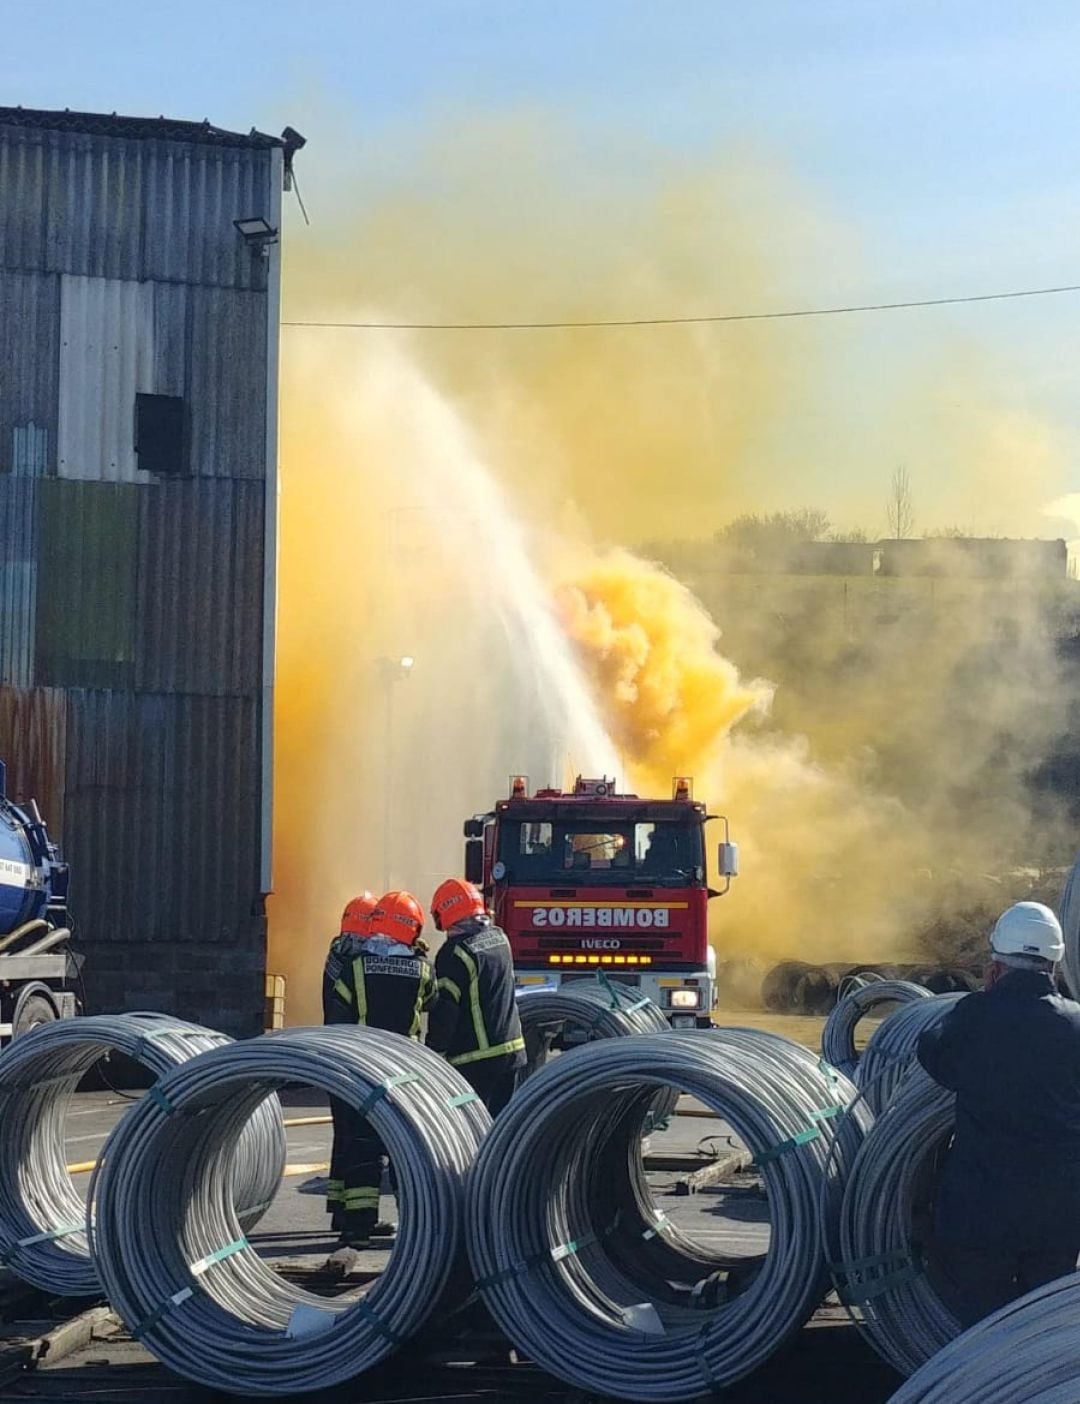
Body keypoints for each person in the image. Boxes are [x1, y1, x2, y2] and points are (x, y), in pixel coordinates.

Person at [917, 900, 1080, 1328]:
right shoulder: (1077, 1025)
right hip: (1057, 1219)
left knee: (977, 1336)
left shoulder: (973, 1017)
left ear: (995, 967)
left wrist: (986, 1008)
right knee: (1040, 1334)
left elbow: (933, 1056)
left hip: (978, 1216)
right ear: (1054, 965)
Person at [322, 889, 435, 1248]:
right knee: (407, 1147)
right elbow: (432, 999)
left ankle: (357, 1226)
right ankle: (416, 1222)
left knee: (362, 1148)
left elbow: (339, 1014)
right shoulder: (421, 970)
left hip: (364, 1069)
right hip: (406, 1073)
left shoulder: (355, 968)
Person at [426, 878, 525, 1115]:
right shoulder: (500, 938)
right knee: (499, 1131)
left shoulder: (455, 953)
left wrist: (433, 1054)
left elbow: (446, 1011)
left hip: (475, 1060)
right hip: (512, 1052)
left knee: (471, 1132)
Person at [322, 892, 378, 1232]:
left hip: (334, 1056)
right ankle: (354, 1220)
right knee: (357, 1138)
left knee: (343, 1135)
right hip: (352, 1057)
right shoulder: (355, 962)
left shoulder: (338, 951)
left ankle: (340, 1210)